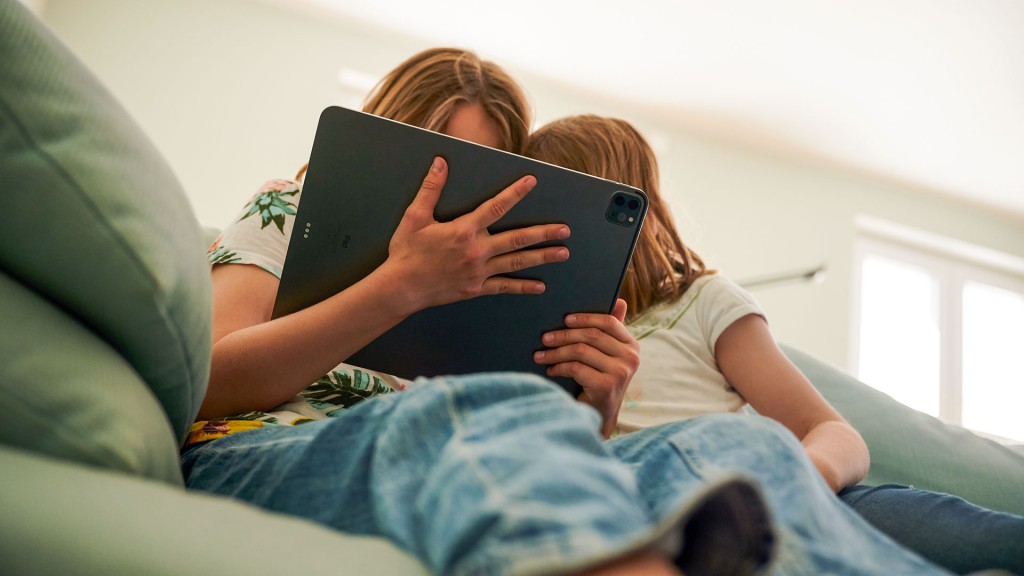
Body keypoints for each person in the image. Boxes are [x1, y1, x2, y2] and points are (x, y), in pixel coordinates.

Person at [186, 47, 775, 576]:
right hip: (272, 446)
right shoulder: (287, 209)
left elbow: (527, 455)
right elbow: (207, 380)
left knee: (731, 451)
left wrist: (596, 408)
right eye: (433, 166)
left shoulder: (491, 272)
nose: (453, 210)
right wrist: (401, 286)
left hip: (452, 454)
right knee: (473, 416)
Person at [526, 113, 1024, 575]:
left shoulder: (700, 302)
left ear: (644, 213)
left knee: (983, 540)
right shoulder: (538, 337)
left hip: (805, 495)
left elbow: (836, 433)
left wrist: (797, 482)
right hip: (682, 525)